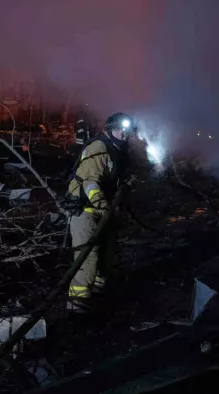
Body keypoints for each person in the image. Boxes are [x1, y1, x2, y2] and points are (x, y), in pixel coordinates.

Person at [65, 112, 137, 312]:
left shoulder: (119, 152)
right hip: (84, 210)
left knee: (107, 254)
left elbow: (116, 182)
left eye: (126, 130)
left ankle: (97, 294)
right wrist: (103, 206)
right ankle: (76, 304)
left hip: (106, 210)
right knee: (87, 256)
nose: (123, 134)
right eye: (118, 129)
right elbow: (90, 183)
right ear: (109, 129)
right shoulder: (99, 147)